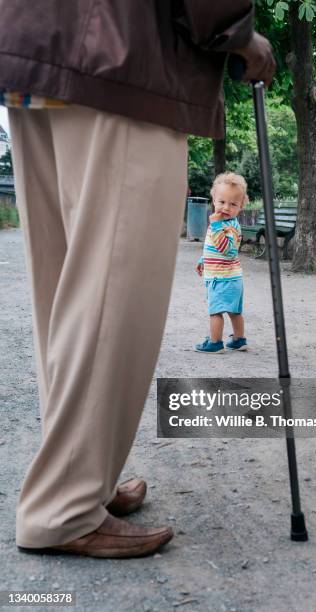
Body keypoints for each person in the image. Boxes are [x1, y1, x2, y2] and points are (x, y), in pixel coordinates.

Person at [0, 0, 275, 558]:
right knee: (114, 289)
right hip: (121, 57)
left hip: (34, 47)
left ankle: (82, 480)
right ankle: (64, 506)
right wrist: (240, 35)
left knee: (66, 290)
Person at [195, 173, 249, 354]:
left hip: (223, 278)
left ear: (241, 206)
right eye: (222, 202)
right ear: (214, 201)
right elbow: (214, 247)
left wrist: (217, 226)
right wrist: (203, 259)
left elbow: (227, 249)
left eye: (233, 204)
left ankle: (215, 342)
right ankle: (239, 340)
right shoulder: (220, 223)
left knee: (215, 311)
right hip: (229, 277)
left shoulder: (229, 226)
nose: (226, 207)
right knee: (234, 311)